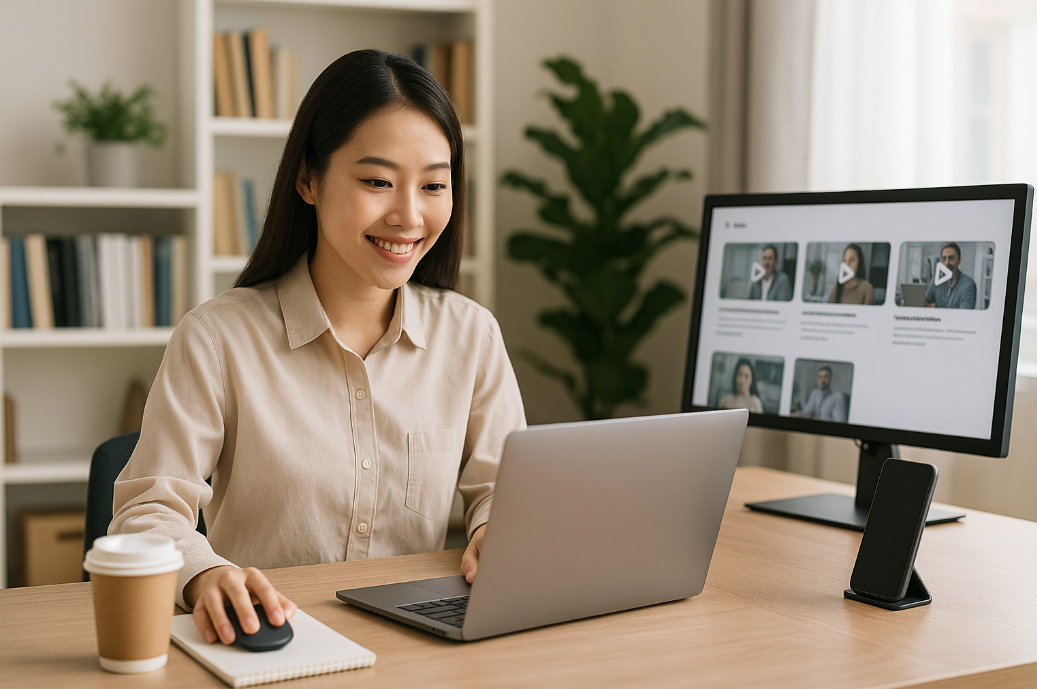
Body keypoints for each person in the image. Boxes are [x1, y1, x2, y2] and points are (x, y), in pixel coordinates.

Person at [109, 50, 525, 647]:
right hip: (266, 640)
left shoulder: (472, 335)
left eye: (434, 184)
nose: (409, 215)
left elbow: (502, 489)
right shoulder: (217, 338)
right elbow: (149, 509)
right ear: (308, 178)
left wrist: (495, 530)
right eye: (378, 181)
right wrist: (205, 576)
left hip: (420, 646)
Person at [925, 242, 977, 309]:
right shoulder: (935, 280)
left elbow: (964, 315)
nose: (947, 263)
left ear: (959, 260)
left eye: (951, 258)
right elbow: (926, 302)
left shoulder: (968, 285)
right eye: (944, 258)